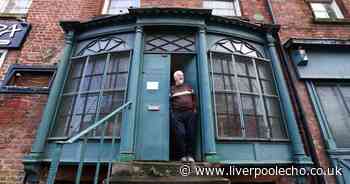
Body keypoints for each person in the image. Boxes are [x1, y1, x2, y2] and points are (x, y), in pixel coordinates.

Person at [170, 70, 197, 162]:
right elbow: (169, 102)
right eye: (179, 75)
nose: (182, 76)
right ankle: (182, 156)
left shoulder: (188, 87)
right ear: (175, 78)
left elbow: (194, 98)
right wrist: (172, 114)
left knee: (190, 134)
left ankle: (190, 155)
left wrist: (194, 110)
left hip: (190, 113)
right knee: (181, 134)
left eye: (182, 75)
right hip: (178, 115)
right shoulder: (172, 89)